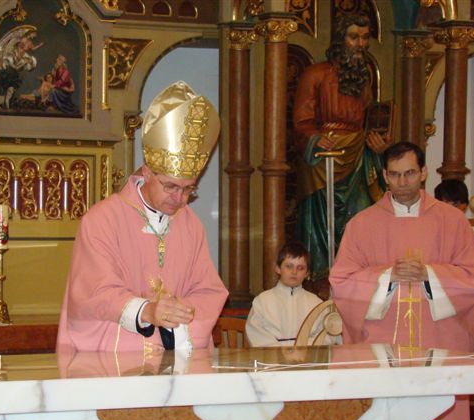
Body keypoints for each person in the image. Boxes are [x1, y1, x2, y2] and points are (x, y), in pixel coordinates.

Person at [330, 141, 474, 420]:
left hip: (438, 350)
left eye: (410, 173)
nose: (402, 182)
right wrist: (387, 277)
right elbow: (341, 282)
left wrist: (430, 275)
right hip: (382, 356)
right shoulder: (362, 224)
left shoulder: (452, 222)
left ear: (424, 172)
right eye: (395, 175)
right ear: (384, 176)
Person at [57, 81, 228, 352]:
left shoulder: (190, 224)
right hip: (117, 361)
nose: (180, 199)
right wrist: (147, 311)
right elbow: (93, 292)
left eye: (189, 189)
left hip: (173, 357)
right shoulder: (102, 219)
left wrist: (177, 317)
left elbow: (208, 291)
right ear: (147, 173)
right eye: (170, 186)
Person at [293, 14, 391, 280]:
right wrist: (315, 138)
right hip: (324, 158)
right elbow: (301, 121)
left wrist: (377, 145)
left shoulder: (363, 80)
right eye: (354, 37)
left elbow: (368, 121)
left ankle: (355, 274)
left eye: (365, 38)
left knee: (359, 215)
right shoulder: (316, 74)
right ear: (340, 39)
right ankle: (320, 276)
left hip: (357, 157)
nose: (360, 44)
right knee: (323, 221)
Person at [434, 178, 474, 350]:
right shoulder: (429, 237)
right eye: (444, 204)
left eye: (455, 204)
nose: (449, 210)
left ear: (464, 206)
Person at [245, 241, 323, 347]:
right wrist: (284, 351)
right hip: (271, 356)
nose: (294, 272)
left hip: (307, 355)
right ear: (278, 268)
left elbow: (325, 336)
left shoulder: (316, 304)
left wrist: (301, 349)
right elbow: (256, 335)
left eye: (300, 268)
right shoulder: (262, 301)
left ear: (307, 273)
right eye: (289, 266)